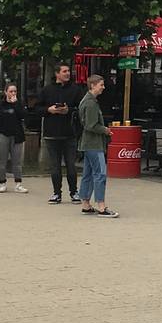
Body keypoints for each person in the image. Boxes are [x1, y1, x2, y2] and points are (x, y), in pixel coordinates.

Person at [39, 64, 83, 205]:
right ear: (57, 73)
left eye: (69, 71)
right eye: (64, 71)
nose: (67, 73)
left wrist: (68, 110)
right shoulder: (47, 90)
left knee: (71, 165)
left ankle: (74, 192)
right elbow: (36, 109)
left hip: (69, 133)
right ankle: (56, 193)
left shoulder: (75, 89)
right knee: (55, 166)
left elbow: (81, 108)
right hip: (51, 133)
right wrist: (49, 110)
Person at [77, 74, 117, 217]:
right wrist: (105, 130)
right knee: (100, 173)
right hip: (94, 143)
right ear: (93, 85)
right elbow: (91, 125)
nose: (103, 87)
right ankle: (101, 206)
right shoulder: (91, 103)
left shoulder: (86, 101)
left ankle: (85, 203)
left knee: (88, 174)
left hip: (87, 143)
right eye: (101, 85)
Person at [0, 83, 29, 194]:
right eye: (11, 91)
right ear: (6, 92)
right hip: (3, 134)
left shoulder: (19, 104)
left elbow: (23, 115)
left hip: (17, 135)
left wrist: (15, 104)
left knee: (17, 161)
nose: (13, 93)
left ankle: (18, 184)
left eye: (15, 91)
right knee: (2, 160)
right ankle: (2, 183)